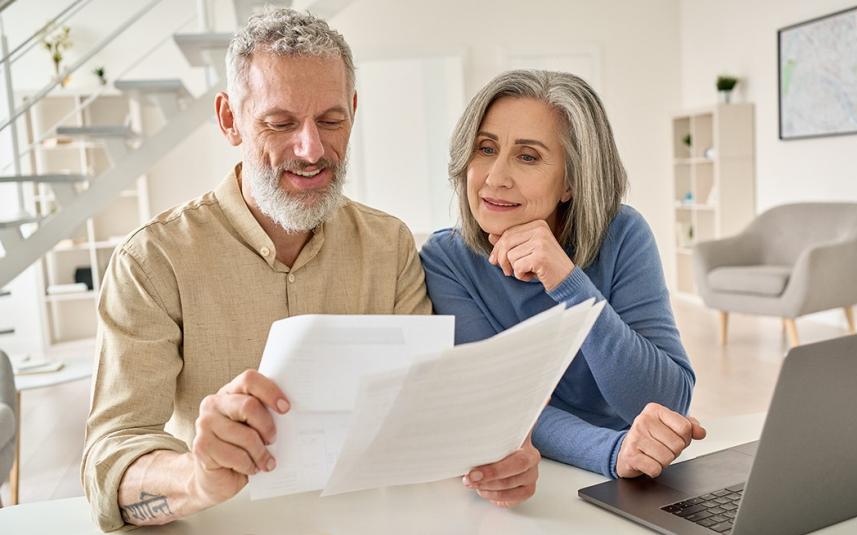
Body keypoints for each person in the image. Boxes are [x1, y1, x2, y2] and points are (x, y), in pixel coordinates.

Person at [81, 10, 537, 531]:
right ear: (229, 119)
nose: (312, 149)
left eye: (331, 120)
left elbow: (423, 414)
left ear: (354, 111)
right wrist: (195, 478)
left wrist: (496, 453)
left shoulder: (389, 246)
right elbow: (111, 458)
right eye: (280, 123)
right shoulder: (152, 260)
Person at [420, 70, 706, 487]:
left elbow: (667, 401)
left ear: (571, 181)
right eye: (486, 149)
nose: (495, 177)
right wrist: (611, 451)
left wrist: (569, 284)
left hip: (635, 470)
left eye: (527, 156)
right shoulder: (446, 259)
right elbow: (499, 403)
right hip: (529, 471)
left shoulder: (623, 234)